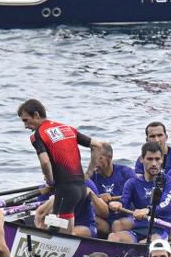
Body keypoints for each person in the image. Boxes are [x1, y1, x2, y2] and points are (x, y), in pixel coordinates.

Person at [17, 99, 106, 234]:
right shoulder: (68, 128)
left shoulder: (37, 135)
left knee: (57, 231)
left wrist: (50, 181)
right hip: (80, 188)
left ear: (36, 115)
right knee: (46, 219)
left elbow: (45, 162)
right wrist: (88, 173)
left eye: (25, 120)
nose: (25, 126)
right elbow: (97, 145)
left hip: (65, 191)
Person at [108, 142, 171, 243]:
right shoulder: (132, 182)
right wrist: (117, 204)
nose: (154, 163)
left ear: (162, 160)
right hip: (138, 226)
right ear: (142, 159)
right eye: (150, 159)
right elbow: (123, 203)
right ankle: (120, 255)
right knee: (114, 236)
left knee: (144, 244)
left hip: (160, 227)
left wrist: (148, 210)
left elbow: (165, 204)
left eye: (157, 159)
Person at [90, 143, 137, 238]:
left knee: (117, 224)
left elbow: (138, 195)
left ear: (110, 157)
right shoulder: (91, 177)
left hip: (127, 216)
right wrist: (98, 198)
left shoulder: (126, 173)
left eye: (99, 158)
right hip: (105, 219)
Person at [34, 178, 104, 237]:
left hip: (85, 226)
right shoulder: (45, 189)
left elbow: (105, 213)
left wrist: (92, 194)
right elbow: (40, 218)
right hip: (61, 224)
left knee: (69, 233)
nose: (44, 176)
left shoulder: (85, 182)